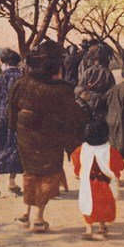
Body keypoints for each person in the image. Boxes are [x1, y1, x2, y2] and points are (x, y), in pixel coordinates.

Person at [8, 40, 87, 233]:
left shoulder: (22, 84)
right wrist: (72, 145)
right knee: (47, 177)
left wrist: (16, 130)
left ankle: (25, 213)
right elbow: (73, 119)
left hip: (26, 137)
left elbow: (10, 113)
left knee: (30, 173)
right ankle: (39, 218)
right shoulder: (62, 90)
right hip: (51, 140)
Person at [71, 118, 124, 240]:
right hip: (105, 183)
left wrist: (79, 173)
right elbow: (119, 165)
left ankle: (88, 229)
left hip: (88, 183)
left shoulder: (82, 149)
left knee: (87, 205)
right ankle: (102, 227)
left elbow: (77, 164)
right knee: (103, 206)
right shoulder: (109, 150)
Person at [0, 48, 24, 197]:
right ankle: (11, 182)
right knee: (15, 148)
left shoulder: (0, 79)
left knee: (0, 146)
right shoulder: (23, 79)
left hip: (1, 117)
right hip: (19, 118)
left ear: (5, 63)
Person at [79, 49, 116, 118]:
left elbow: (79, 88)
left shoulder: (87, 71)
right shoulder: (107, 72)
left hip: (88, 101)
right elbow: (112, 90)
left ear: (95, 60)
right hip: (102, 103)